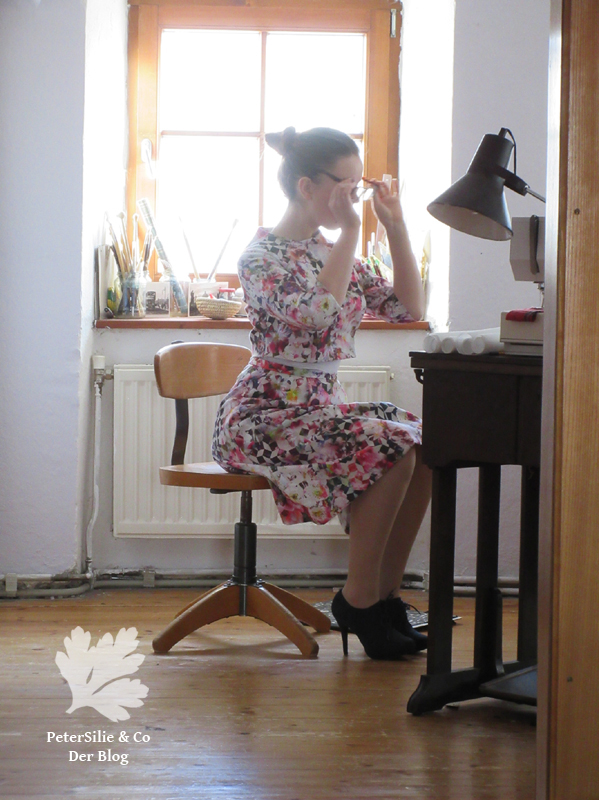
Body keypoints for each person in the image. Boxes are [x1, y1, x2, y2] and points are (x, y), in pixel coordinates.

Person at [212, 126, 432, 660]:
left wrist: (395, 225)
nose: (355, 196)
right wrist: (353, 231)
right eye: (346, 185)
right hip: (261, 416)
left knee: (426, 443)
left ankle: (384, 598)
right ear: (307, 186)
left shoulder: (331, 251)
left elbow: (409, 308)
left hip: (314, 406)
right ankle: (358, 601)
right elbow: (314, 314)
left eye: (360, 185)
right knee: (391, 444)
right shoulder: (261, 257)